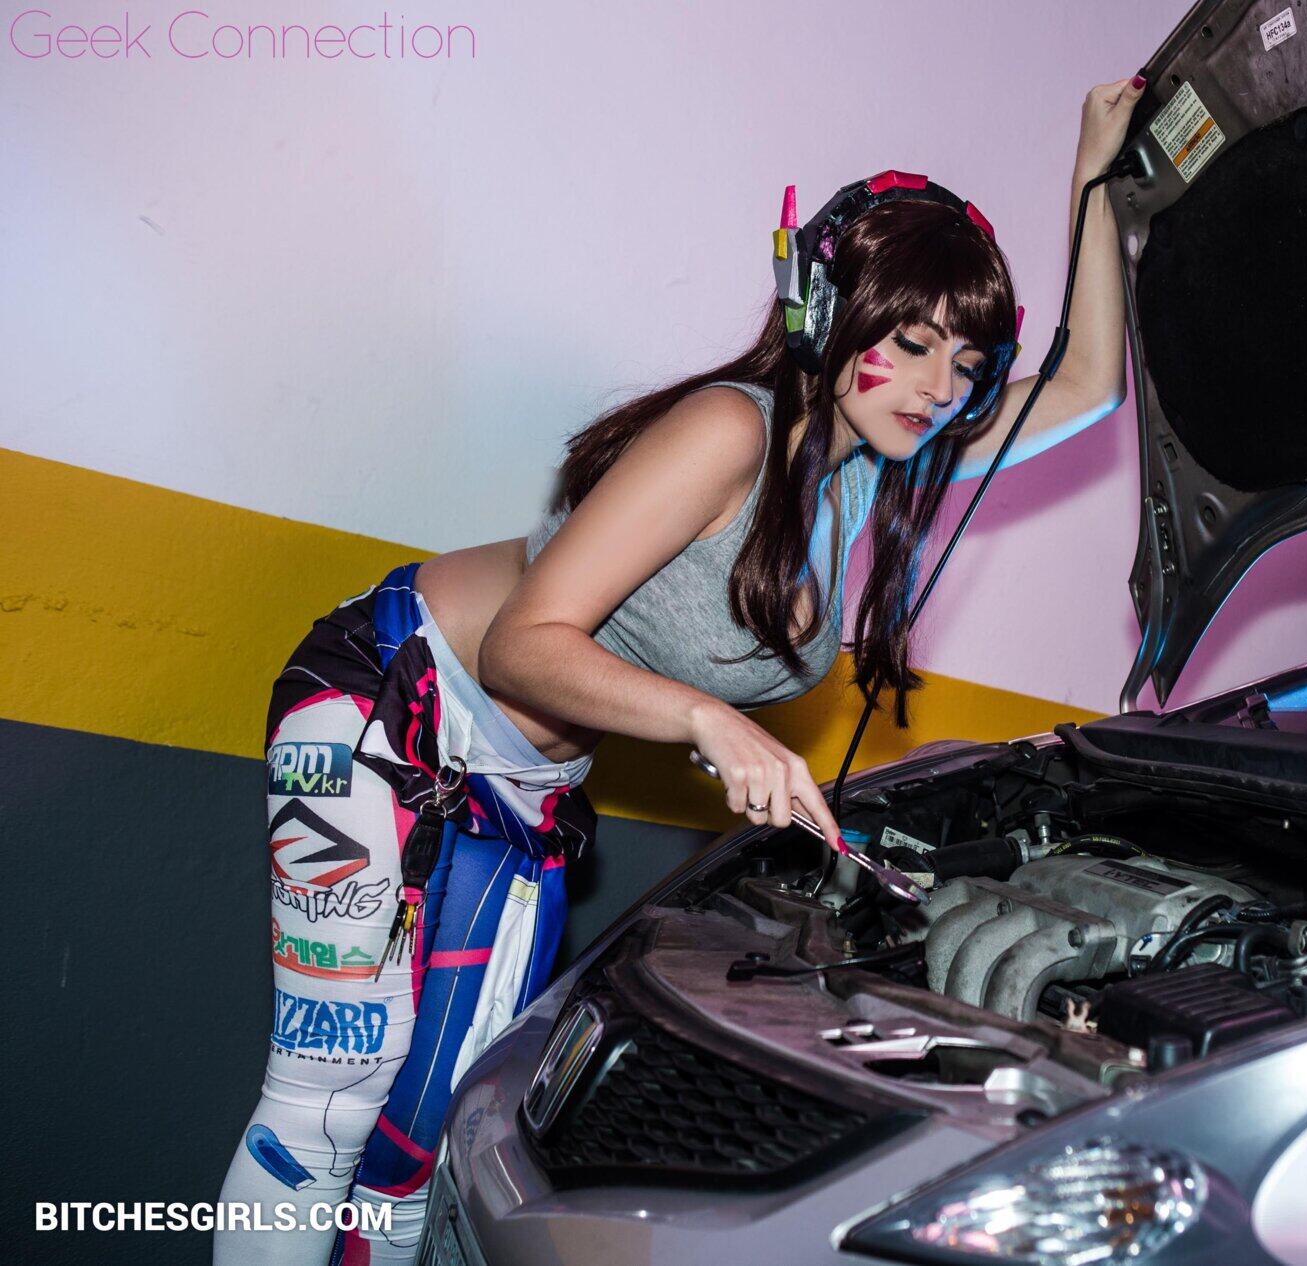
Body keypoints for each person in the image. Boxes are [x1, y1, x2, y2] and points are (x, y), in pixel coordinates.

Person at [214, 75, 1147, 1265]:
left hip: (521, 782)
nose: (941, 387)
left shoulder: (868, 468)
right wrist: (710, 719)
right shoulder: (729, 428)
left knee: (423, 1134)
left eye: (965, 362)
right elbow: (521, 647)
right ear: (825, 313)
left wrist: (1095, 171)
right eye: (911, 345)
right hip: (391, 701)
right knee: (328, 1102)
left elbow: (1086, 386)